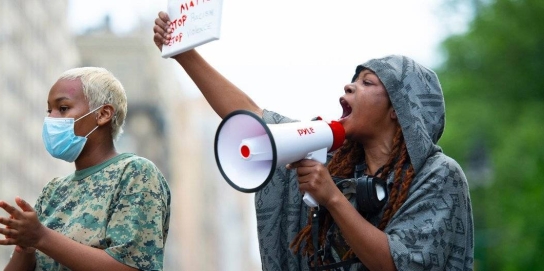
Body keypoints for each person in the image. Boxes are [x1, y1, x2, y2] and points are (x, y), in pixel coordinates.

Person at [152, 11, 473, 271]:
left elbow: (398, 263)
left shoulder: (439, 175)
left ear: (398, 109)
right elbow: (251, 118)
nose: (349, 87)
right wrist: (185, 55)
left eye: (367, 82)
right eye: (351, 80)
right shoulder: (334, 160)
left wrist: (331, 197)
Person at [0, 67, 171, 271]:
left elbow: (132, 267)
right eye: (49, 110)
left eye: (63, 108)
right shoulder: (53, 191)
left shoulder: (135, 173)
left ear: (103, 114)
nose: (51, 119)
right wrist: (25, 245)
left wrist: (41, 236)